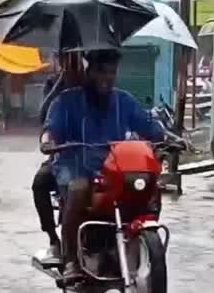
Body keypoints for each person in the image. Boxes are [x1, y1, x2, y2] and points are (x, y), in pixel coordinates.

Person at [43, 49, 165, 277]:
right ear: (89, 71)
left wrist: (169, 138)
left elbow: (149, 126)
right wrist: (48, 142)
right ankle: (71, 260)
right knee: (78, 189)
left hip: (115, 168)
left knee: (148, 189)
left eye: (111, 72)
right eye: (101, 71)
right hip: (76, 164)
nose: (106, 78)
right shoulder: (67, 101)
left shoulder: (124, 101)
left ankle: (134, 244)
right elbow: (51, 130)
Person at [32, 52, 84, 259]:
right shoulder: (54, 84)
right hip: (62, 154)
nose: (71, 63)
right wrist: (62, 81)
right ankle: (54, 238)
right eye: (65, 58)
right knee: (40, 183)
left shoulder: (94, 83)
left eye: (74, 58)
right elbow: (45, 117)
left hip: (95, 153)